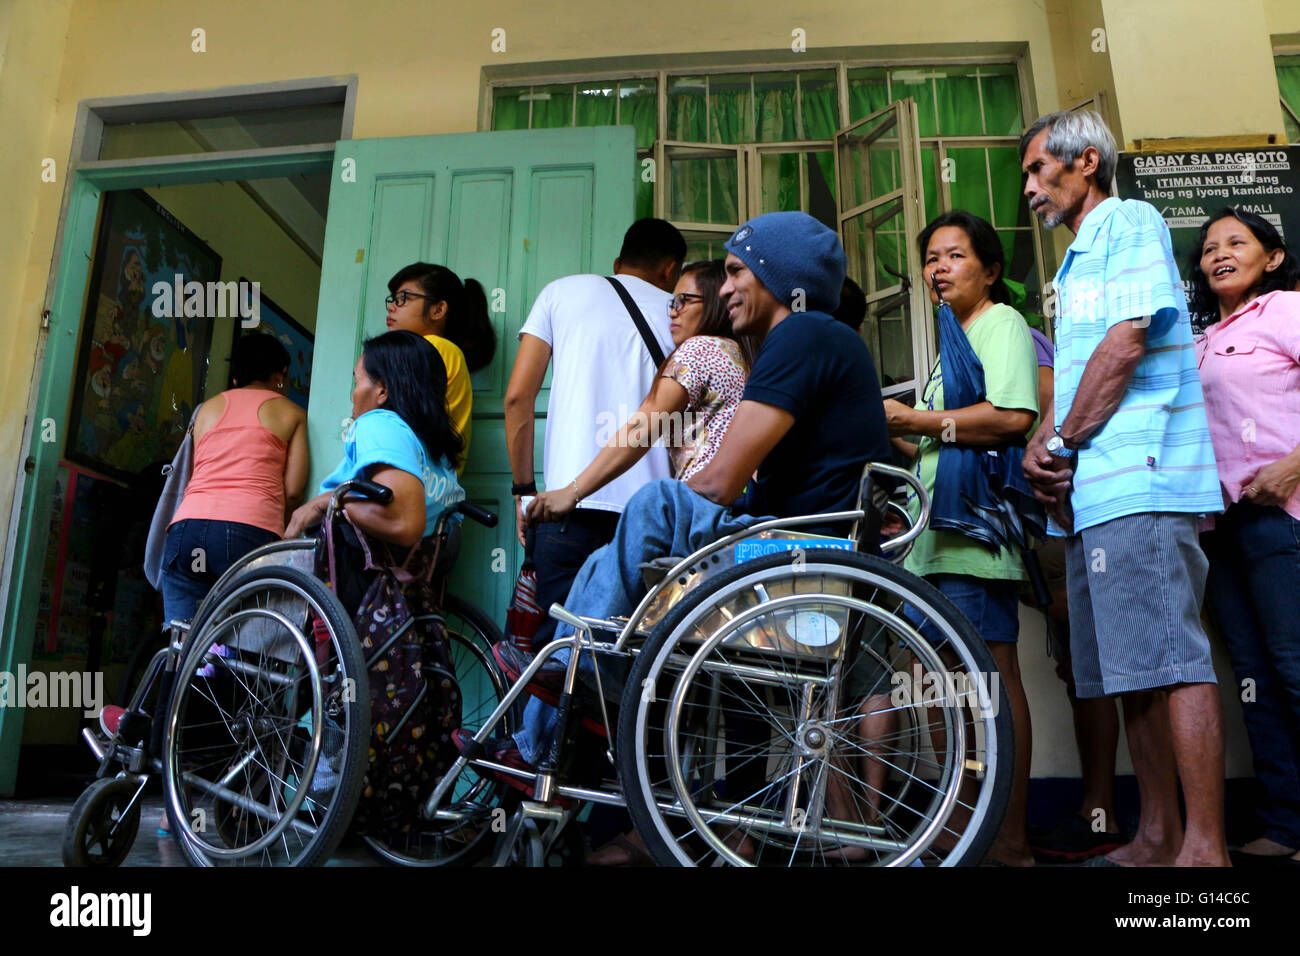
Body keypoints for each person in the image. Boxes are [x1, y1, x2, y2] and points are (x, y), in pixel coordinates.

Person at [466, 212, 892, 837]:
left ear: (781, 277)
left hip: (799, 551)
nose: (725, 289)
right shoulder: (802, 343)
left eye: (739, 272)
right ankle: (579, 675)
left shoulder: (800, 338)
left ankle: (577, 678)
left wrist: (591, 495)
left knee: (655, 505)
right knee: (611, 555)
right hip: (805, 544)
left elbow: (719, 480)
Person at [1019, 110, 1230, 867]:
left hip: (1141, 484)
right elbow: (1081, 372)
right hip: (1097, 496)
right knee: (1136, 672)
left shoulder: (1128, 219)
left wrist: (1065, 438)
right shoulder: (1076, 260)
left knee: (1173, 660)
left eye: (1039, 170)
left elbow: (1129, 339)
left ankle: (1205, 851)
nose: (1031, 188)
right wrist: (1047, 445)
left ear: (1085, 162)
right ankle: (1157, 835)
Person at [882, 210, 1039, 866]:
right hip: (936, 539)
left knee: (987, 683)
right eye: (930, 258)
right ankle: (960, 829)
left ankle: (1006, 838)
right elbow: (945, 436)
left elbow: (1007, 418)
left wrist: (914, 418)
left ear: (992, 270)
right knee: (945, 686)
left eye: (954, 256)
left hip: (974, 537)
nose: (938, 268)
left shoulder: (999, 323)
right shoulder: (953, 340)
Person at [504, 219, 684, 648]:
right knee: (641, 659)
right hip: (653, 519)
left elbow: (516, 399)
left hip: (569, 508)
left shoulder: (560, 293)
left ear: (619, 262)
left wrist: (524, 491)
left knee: (562, 659)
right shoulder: (683, 315)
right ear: (671, 269)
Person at [1189, 207, 1300, 866]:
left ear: (1274, 257)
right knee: (1254, 677)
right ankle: (1287, 823)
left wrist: (1291, 466)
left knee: (1293, 669)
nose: (1220, 254)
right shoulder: (1204, 339)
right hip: (1222, 527)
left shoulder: (1287, 311)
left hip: (1283, 518)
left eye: (1237, 242)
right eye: (1209, 249)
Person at [527, 258, 751, 526]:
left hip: (704, 515)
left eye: (684, 300)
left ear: (715, 302)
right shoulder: (736, 352)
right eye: (672, 302)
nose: (673, 311)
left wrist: (571, 492)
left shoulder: (699, 350)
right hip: (731, 511)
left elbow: (641, 429)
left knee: (602, 567)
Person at [1025, 324, 1126, 862]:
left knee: (1095, 675)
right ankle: (1096, 811)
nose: (939, 272)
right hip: (1038, 527)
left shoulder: (1018, 335)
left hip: (1058, 516)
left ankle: (1101, 812)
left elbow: (1047, 420)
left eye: (954, 256)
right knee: (1079, 673)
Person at [161, 333, 309, 624]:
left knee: (184, 636)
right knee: (243, 642)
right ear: (279, 374)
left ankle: (178, 667)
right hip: (247, 532)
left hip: (186, 530)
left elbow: (195, 471)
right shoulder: (292, 413)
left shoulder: (206, 410)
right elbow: (292, 491)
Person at [285, 330, 465, 561]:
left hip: (344, 575)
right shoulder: (439, 457)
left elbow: (405, 522)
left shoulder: (378, 423)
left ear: (382, 390)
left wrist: (330, 501)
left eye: (357, 381)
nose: (353, 395)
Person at [383, 262, 495, 471]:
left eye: (403, 299)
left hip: (412, 481)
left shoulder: (436, 348)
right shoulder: (443, 351)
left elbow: (400, 420)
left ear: (438, 309)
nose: (392, 306)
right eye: (393, 299)